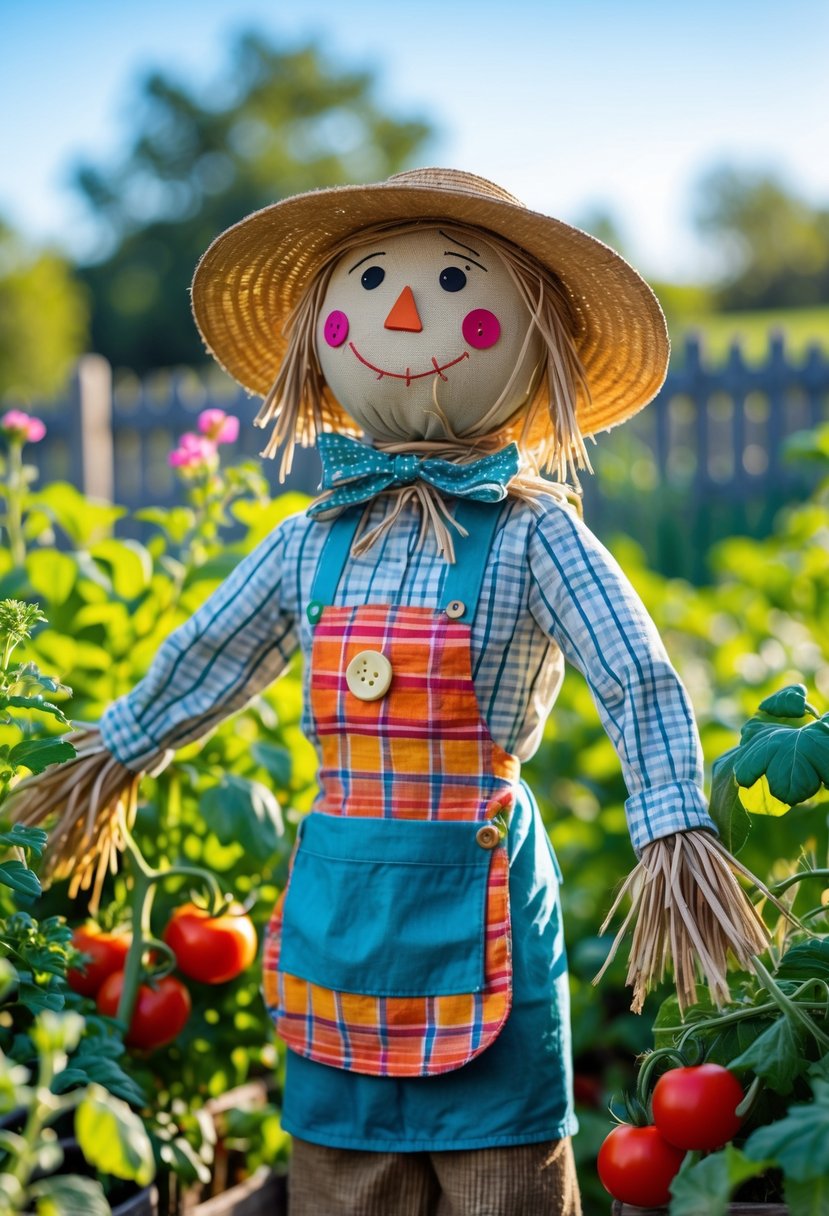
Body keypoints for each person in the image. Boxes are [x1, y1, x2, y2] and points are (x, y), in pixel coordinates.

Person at [10, 169, 767, 1215]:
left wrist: (671, 828)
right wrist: (119, 750)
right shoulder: (307, 542)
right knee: (339, 1172)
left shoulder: (535, 533)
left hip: (479, 896)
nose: (403, 315)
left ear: (533, 339)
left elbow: (634, 672)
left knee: (503, 1176)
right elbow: (213, 652)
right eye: (367, 286)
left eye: (453, 285)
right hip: (341, 912)